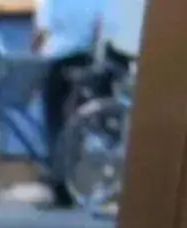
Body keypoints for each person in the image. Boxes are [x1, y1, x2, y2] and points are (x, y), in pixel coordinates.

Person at [37, 0, 134, 205]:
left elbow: (42, 29)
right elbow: (105, 28)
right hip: (84, 60)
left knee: (54, 121)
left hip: (56, 60)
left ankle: (58, 182)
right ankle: (71, 181)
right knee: (77, 123)